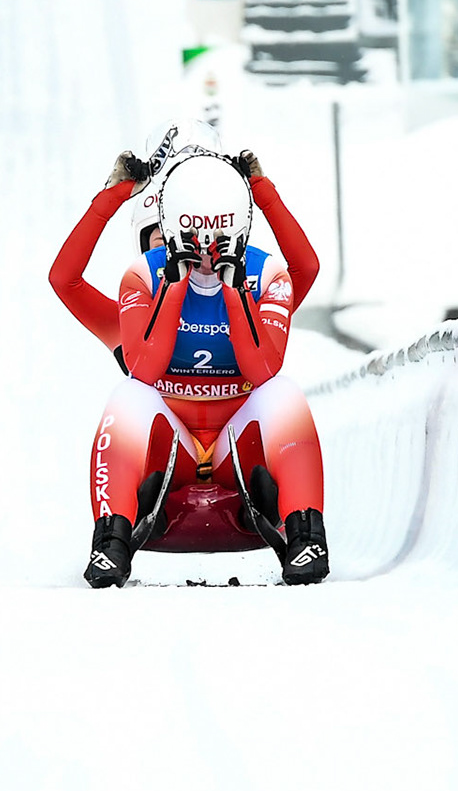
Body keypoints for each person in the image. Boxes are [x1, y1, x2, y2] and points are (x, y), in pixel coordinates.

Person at [82, 153, 329, 588]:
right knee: (128, 396)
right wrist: (174, 287)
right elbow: (142, 368)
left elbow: (264, 370)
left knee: (284, 394)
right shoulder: (144, 275)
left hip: (236, 453)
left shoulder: (265, 273)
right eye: (183, 238)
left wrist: (236, 293)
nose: (205, 253)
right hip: (168, 452)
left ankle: (307, 534)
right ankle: (110, 540)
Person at [47, 123, 322, 371]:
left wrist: (261, 190)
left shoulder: (255, 290)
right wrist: (112, 196)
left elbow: (305, 269)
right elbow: (64, 279)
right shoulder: (130, 310)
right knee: (130, 399)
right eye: (165, 242)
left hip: (242, 423)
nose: (184, 250)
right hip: (160, 423)